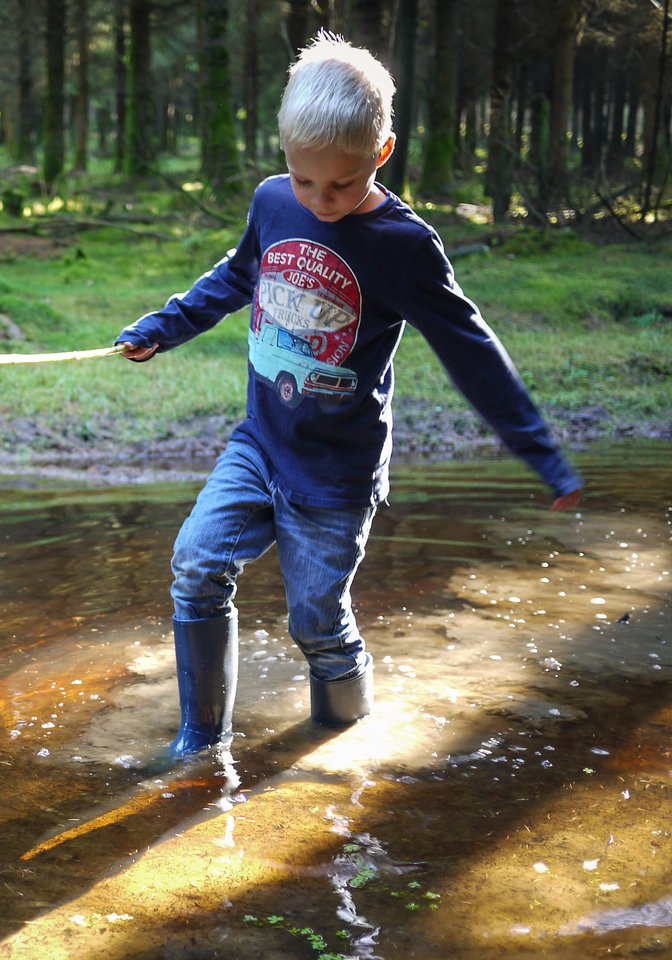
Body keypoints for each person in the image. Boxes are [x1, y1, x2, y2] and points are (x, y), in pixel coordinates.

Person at [115, 31, 583, 758]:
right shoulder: (275, 202)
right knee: (196, 565)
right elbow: (239, 276)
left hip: (337, 475)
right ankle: (199, 743)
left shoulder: (404, 246)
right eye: (306, 181)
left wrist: (542, 454)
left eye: (341, 183)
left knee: (316, 625)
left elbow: (471, 350)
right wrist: (164, 327)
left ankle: (346, 743)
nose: (321, 200)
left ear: (381, 153)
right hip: (261, 444)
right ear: (285, 156)